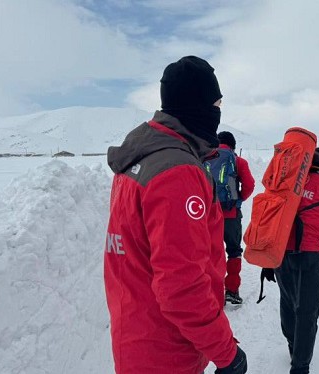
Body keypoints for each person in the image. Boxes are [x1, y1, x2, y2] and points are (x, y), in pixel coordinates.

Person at [104, 56, 247, 374]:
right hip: (166, 351)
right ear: (199, 105)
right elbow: (181, 285)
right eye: (217, 103)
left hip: (137, 336)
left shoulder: (140, 156)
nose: (218, 111)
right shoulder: (177, 172)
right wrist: (226, 353)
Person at [262, 147, 319, 374]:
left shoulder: (287, 177)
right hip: (311, 254)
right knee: (307, 309)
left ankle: (294, 346)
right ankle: (300, 365)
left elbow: (267, 215)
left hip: (280, 252)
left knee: (287, 301)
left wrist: (266, 258)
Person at [212, 131, 255, 304]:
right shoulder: (238, 161)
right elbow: (250, 185)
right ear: (233, 145)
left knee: (211, 252)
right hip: (231, 214)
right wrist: (237, 199)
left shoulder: (206, 158)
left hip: (209, 214)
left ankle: (213, 292)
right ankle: (231, 290)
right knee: (234, 251)